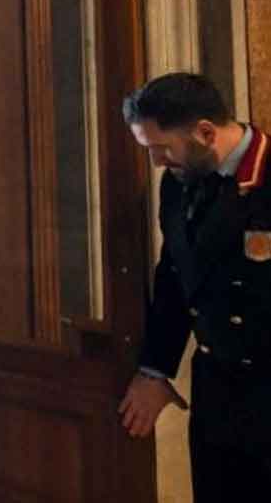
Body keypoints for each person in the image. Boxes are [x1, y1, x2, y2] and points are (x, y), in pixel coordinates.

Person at [118, 72, 271, 500]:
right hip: (218, 394)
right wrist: (155, 368)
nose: (156, 162)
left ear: (205, 132)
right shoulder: (178, 182)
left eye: (162, 148)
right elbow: (175, 276)